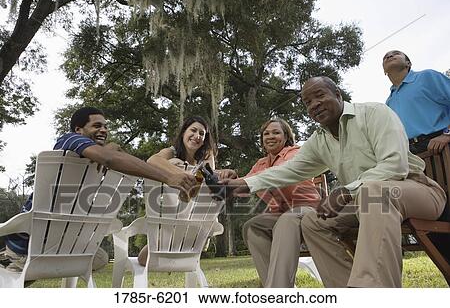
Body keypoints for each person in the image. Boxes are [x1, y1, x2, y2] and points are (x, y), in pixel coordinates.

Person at [221, 76, 446, 287]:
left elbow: (395, 165)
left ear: (337, 94)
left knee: (373, 192)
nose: (314, 105)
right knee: (313, 221)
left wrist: (347, 191)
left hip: (417, 191)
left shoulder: (374, 113)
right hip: (363, 202)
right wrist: (246, 183)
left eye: (319, 96)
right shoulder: (319, 140)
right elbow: (289, 170)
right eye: (308, 102)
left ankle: (372, 290)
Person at [0, 107, 197, 273]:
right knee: (96, 257)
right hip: (32, 245)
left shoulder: (91, 159)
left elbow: (113, 156)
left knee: (100, 257)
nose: (103, 130)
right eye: (96, 126)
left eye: (105, 126)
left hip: (54, 245)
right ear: (78, 130)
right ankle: (13, 263)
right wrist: (169, 177)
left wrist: (112, 147)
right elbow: (110, 159)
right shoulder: (68, 140)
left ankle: (16, 267)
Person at [221, 118, 320, 287]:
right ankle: (276, 288)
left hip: (307, 211)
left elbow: (276, 174)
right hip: (280, 214)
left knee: (286, 220)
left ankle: (278, 291)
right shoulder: (261, 163)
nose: (270, 136)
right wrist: (225, 181)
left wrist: (241, 183)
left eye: (276, 132)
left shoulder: (295, 153)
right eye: (266, 133)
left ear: (286, 136)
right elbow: (246, 184)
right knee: (252, 227)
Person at [137, 116, 216, 266]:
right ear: (183, 133)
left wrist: (208, 155)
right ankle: (177, 231)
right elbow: (152, 161)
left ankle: (191, 230)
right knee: (143, 259)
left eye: (202, 133)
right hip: (171, 216)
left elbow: (210, 175)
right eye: (193, 130)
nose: (197, 136)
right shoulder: (171, 152)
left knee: (207, 174)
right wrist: (183, 174)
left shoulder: (205, 157)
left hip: (195, 217)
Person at [383, 50, 450, 154]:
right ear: (384, 71)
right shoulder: (388, 103)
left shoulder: (427, 76)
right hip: (411, 156)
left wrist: (447, 134)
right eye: (385, 57)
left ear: (408, 64)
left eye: (396, 53)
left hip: (441, 145)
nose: (390, 56)